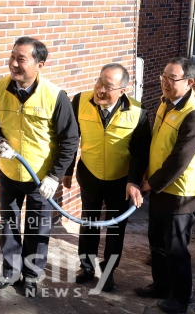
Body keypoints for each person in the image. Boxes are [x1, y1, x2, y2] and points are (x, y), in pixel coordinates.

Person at [0, 36, 79, 297]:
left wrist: (55, 176)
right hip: (9, 171)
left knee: (37, 228)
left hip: (40, 178)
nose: (13, 63)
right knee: (9, 224)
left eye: (21, 59)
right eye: (12, 56)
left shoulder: (55, 97)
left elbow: (70, 140)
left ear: (40, 64)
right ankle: (11, 272)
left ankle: (32, 275)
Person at [61, 63, 151, 292]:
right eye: (99, 82)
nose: (100, 89)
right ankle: (87, 266)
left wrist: (133, 182)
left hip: (120, 181)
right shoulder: (80, 101)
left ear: (122, 90)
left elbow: (141, 153)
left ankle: (108, 272)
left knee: (115, 228)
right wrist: (68, 171)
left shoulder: (138, 112)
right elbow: (71, 139)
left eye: (108, 86)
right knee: (88, 222)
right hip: (89, 174)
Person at [134, 57, 195, 314]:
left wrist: (150, 183)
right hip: (159, 191)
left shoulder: (194, 116)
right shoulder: (165, 105)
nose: (164, 82)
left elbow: (179, 160)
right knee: (156, 242)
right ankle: (161, 286)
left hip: (179, 196)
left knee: (176, 250)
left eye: (171, 78)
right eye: (163, 77)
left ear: (188, 83)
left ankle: (180, 299)